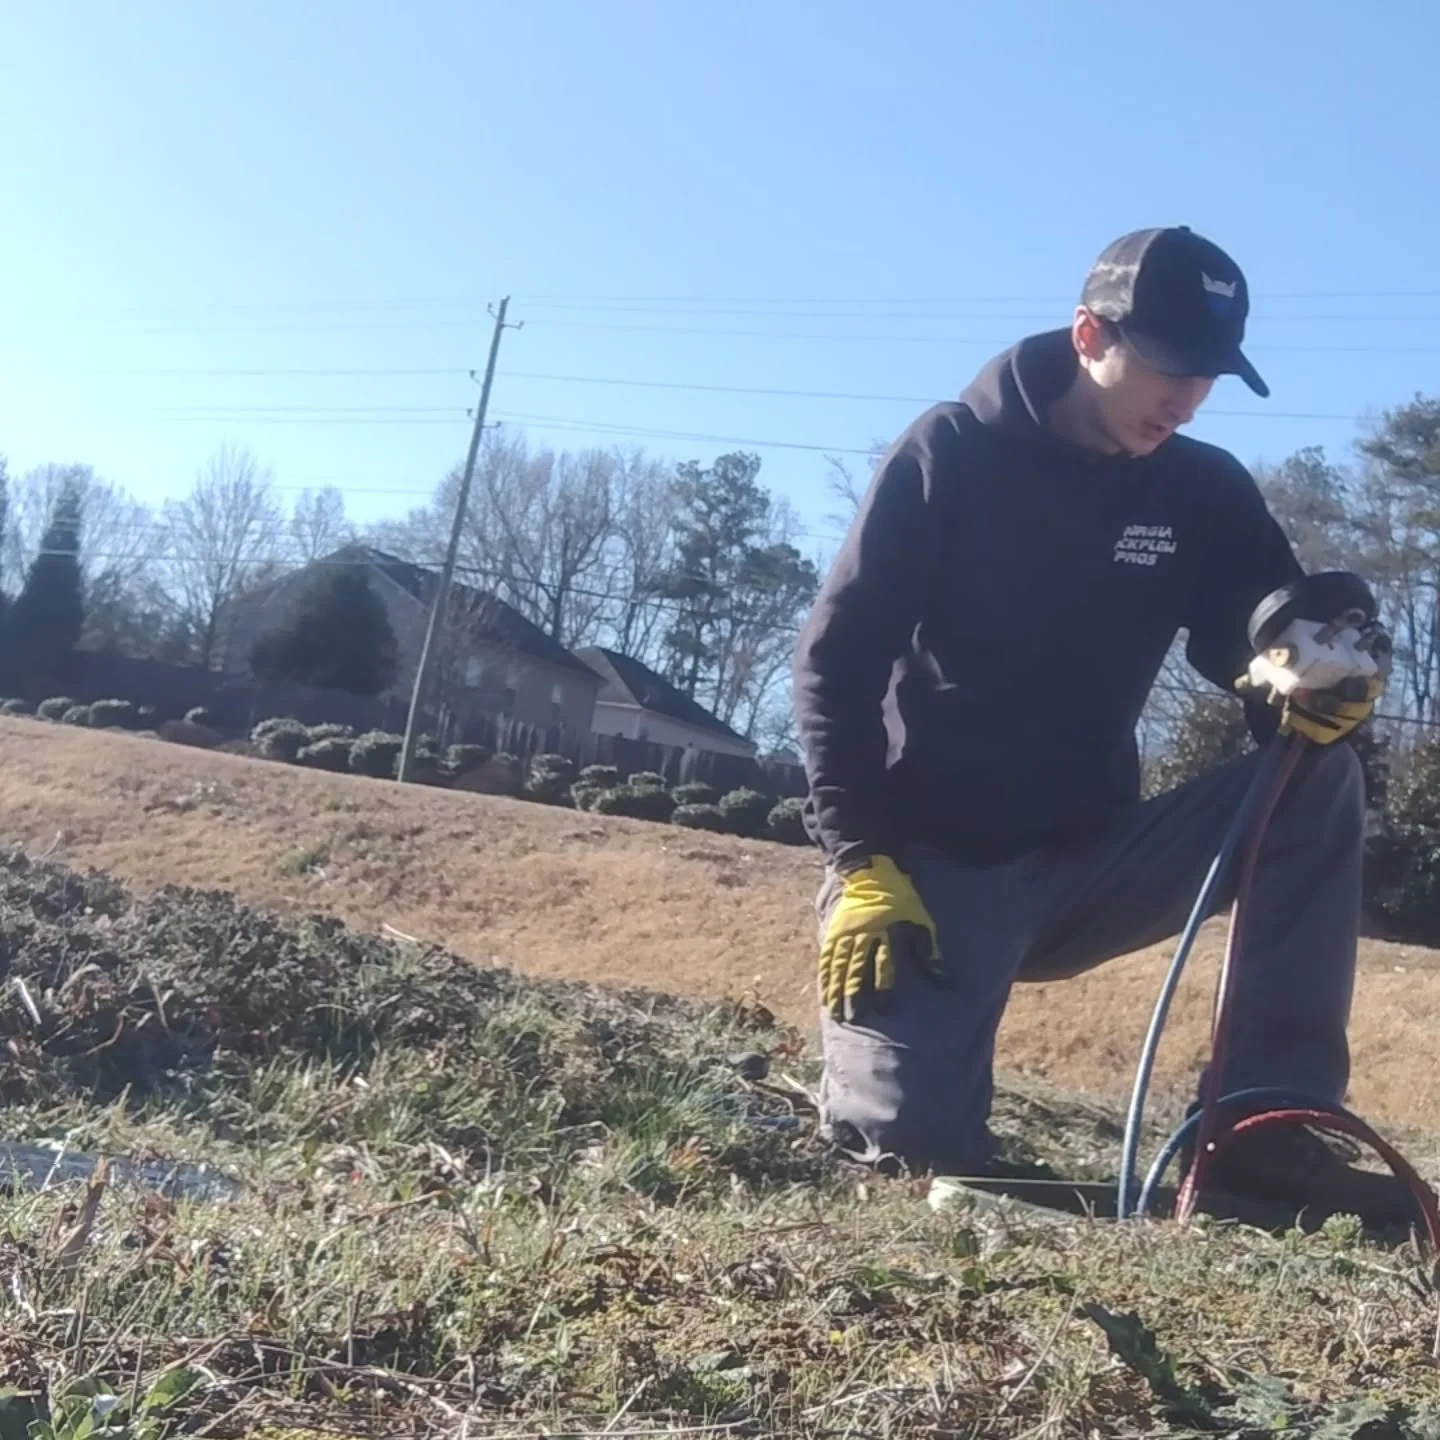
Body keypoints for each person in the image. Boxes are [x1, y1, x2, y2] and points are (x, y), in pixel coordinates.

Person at [791, 225, 1415, 1228]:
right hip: (926, 879)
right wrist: (860, 857)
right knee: (907, 1151)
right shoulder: (952, 453)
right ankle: (907, 1087)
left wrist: (1315, 683)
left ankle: (1266, 1132)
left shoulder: (1199, 491)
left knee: (1318, 769)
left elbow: (1258, 647)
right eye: (1169, 366)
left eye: (1209, 375)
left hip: (1094, 863)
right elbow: (834, 662)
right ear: (1091, 334)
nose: (1187, 398)